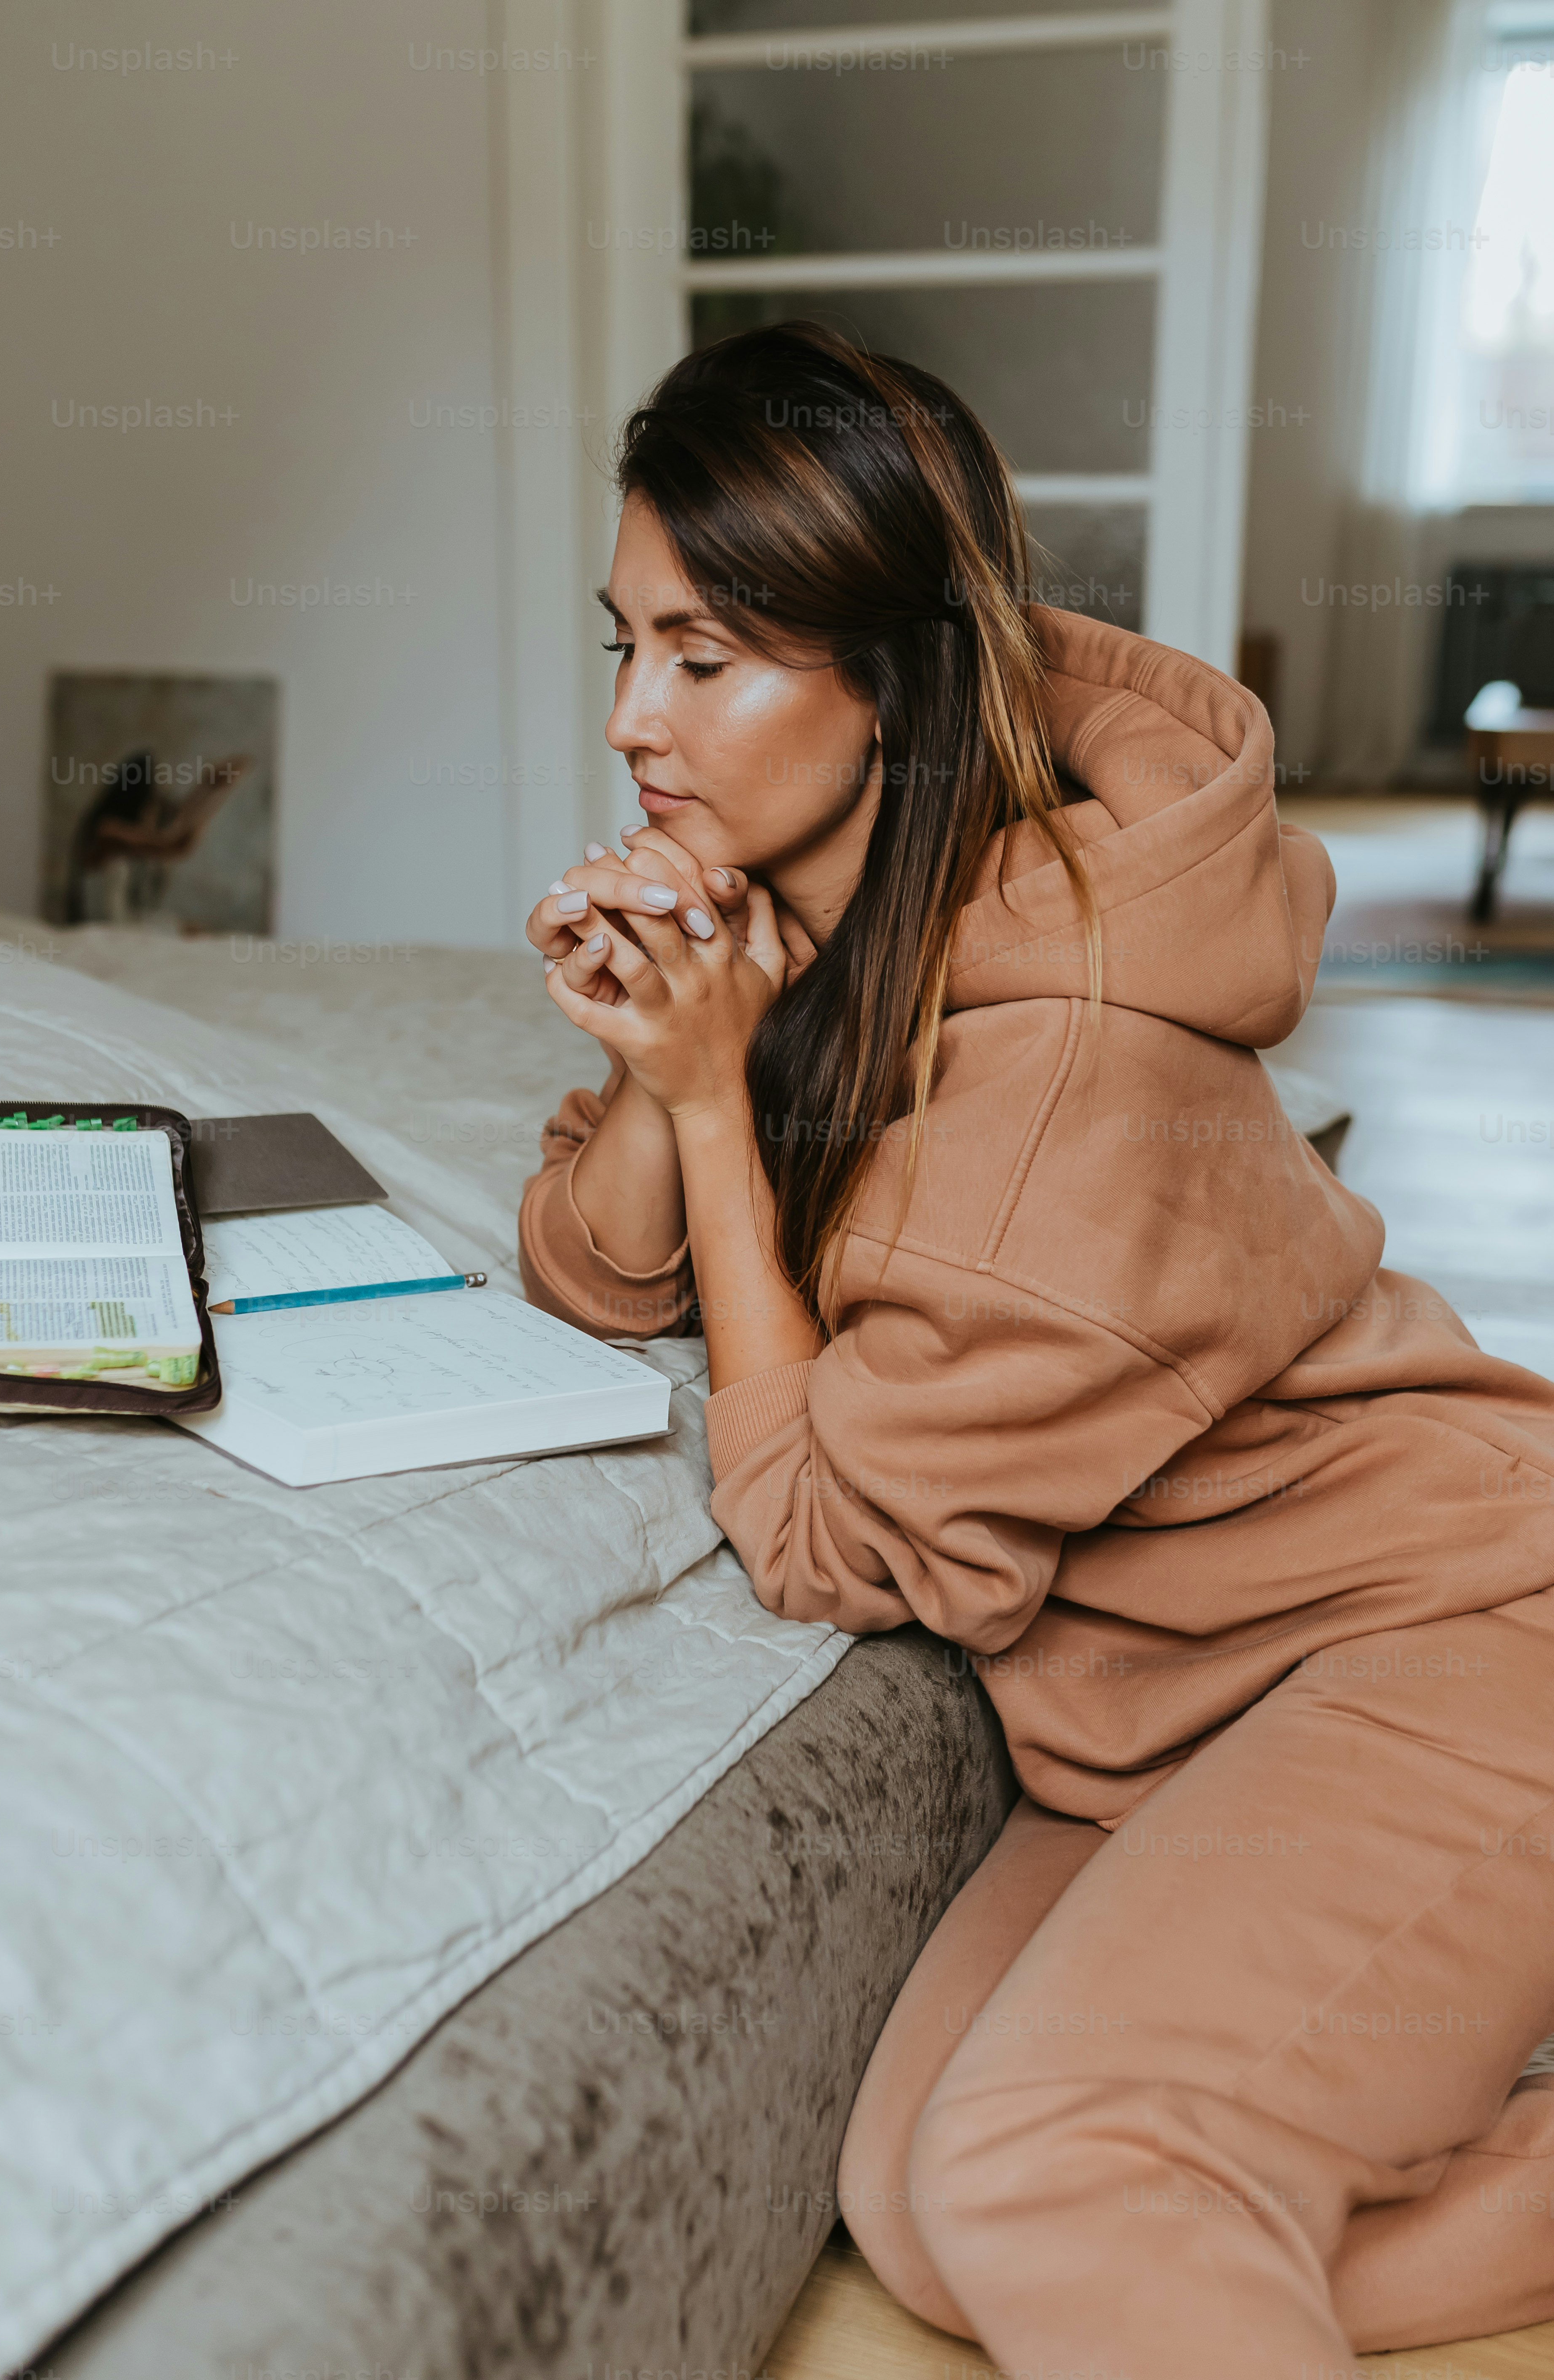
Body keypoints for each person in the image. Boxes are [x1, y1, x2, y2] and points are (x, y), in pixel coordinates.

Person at [519, 322, 1554, 2375]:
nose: (635, 717)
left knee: (1052, 2173)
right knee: (920, 2203)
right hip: (1182, 1710)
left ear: (882, 679)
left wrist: (721, 1114)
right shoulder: (824, 908)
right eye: (623, 642)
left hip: (1444, 1639)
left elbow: (817, 1539)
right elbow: (593, 1275)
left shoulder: (1072, 1074)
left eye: (705, 658)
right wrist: (666, 1057)